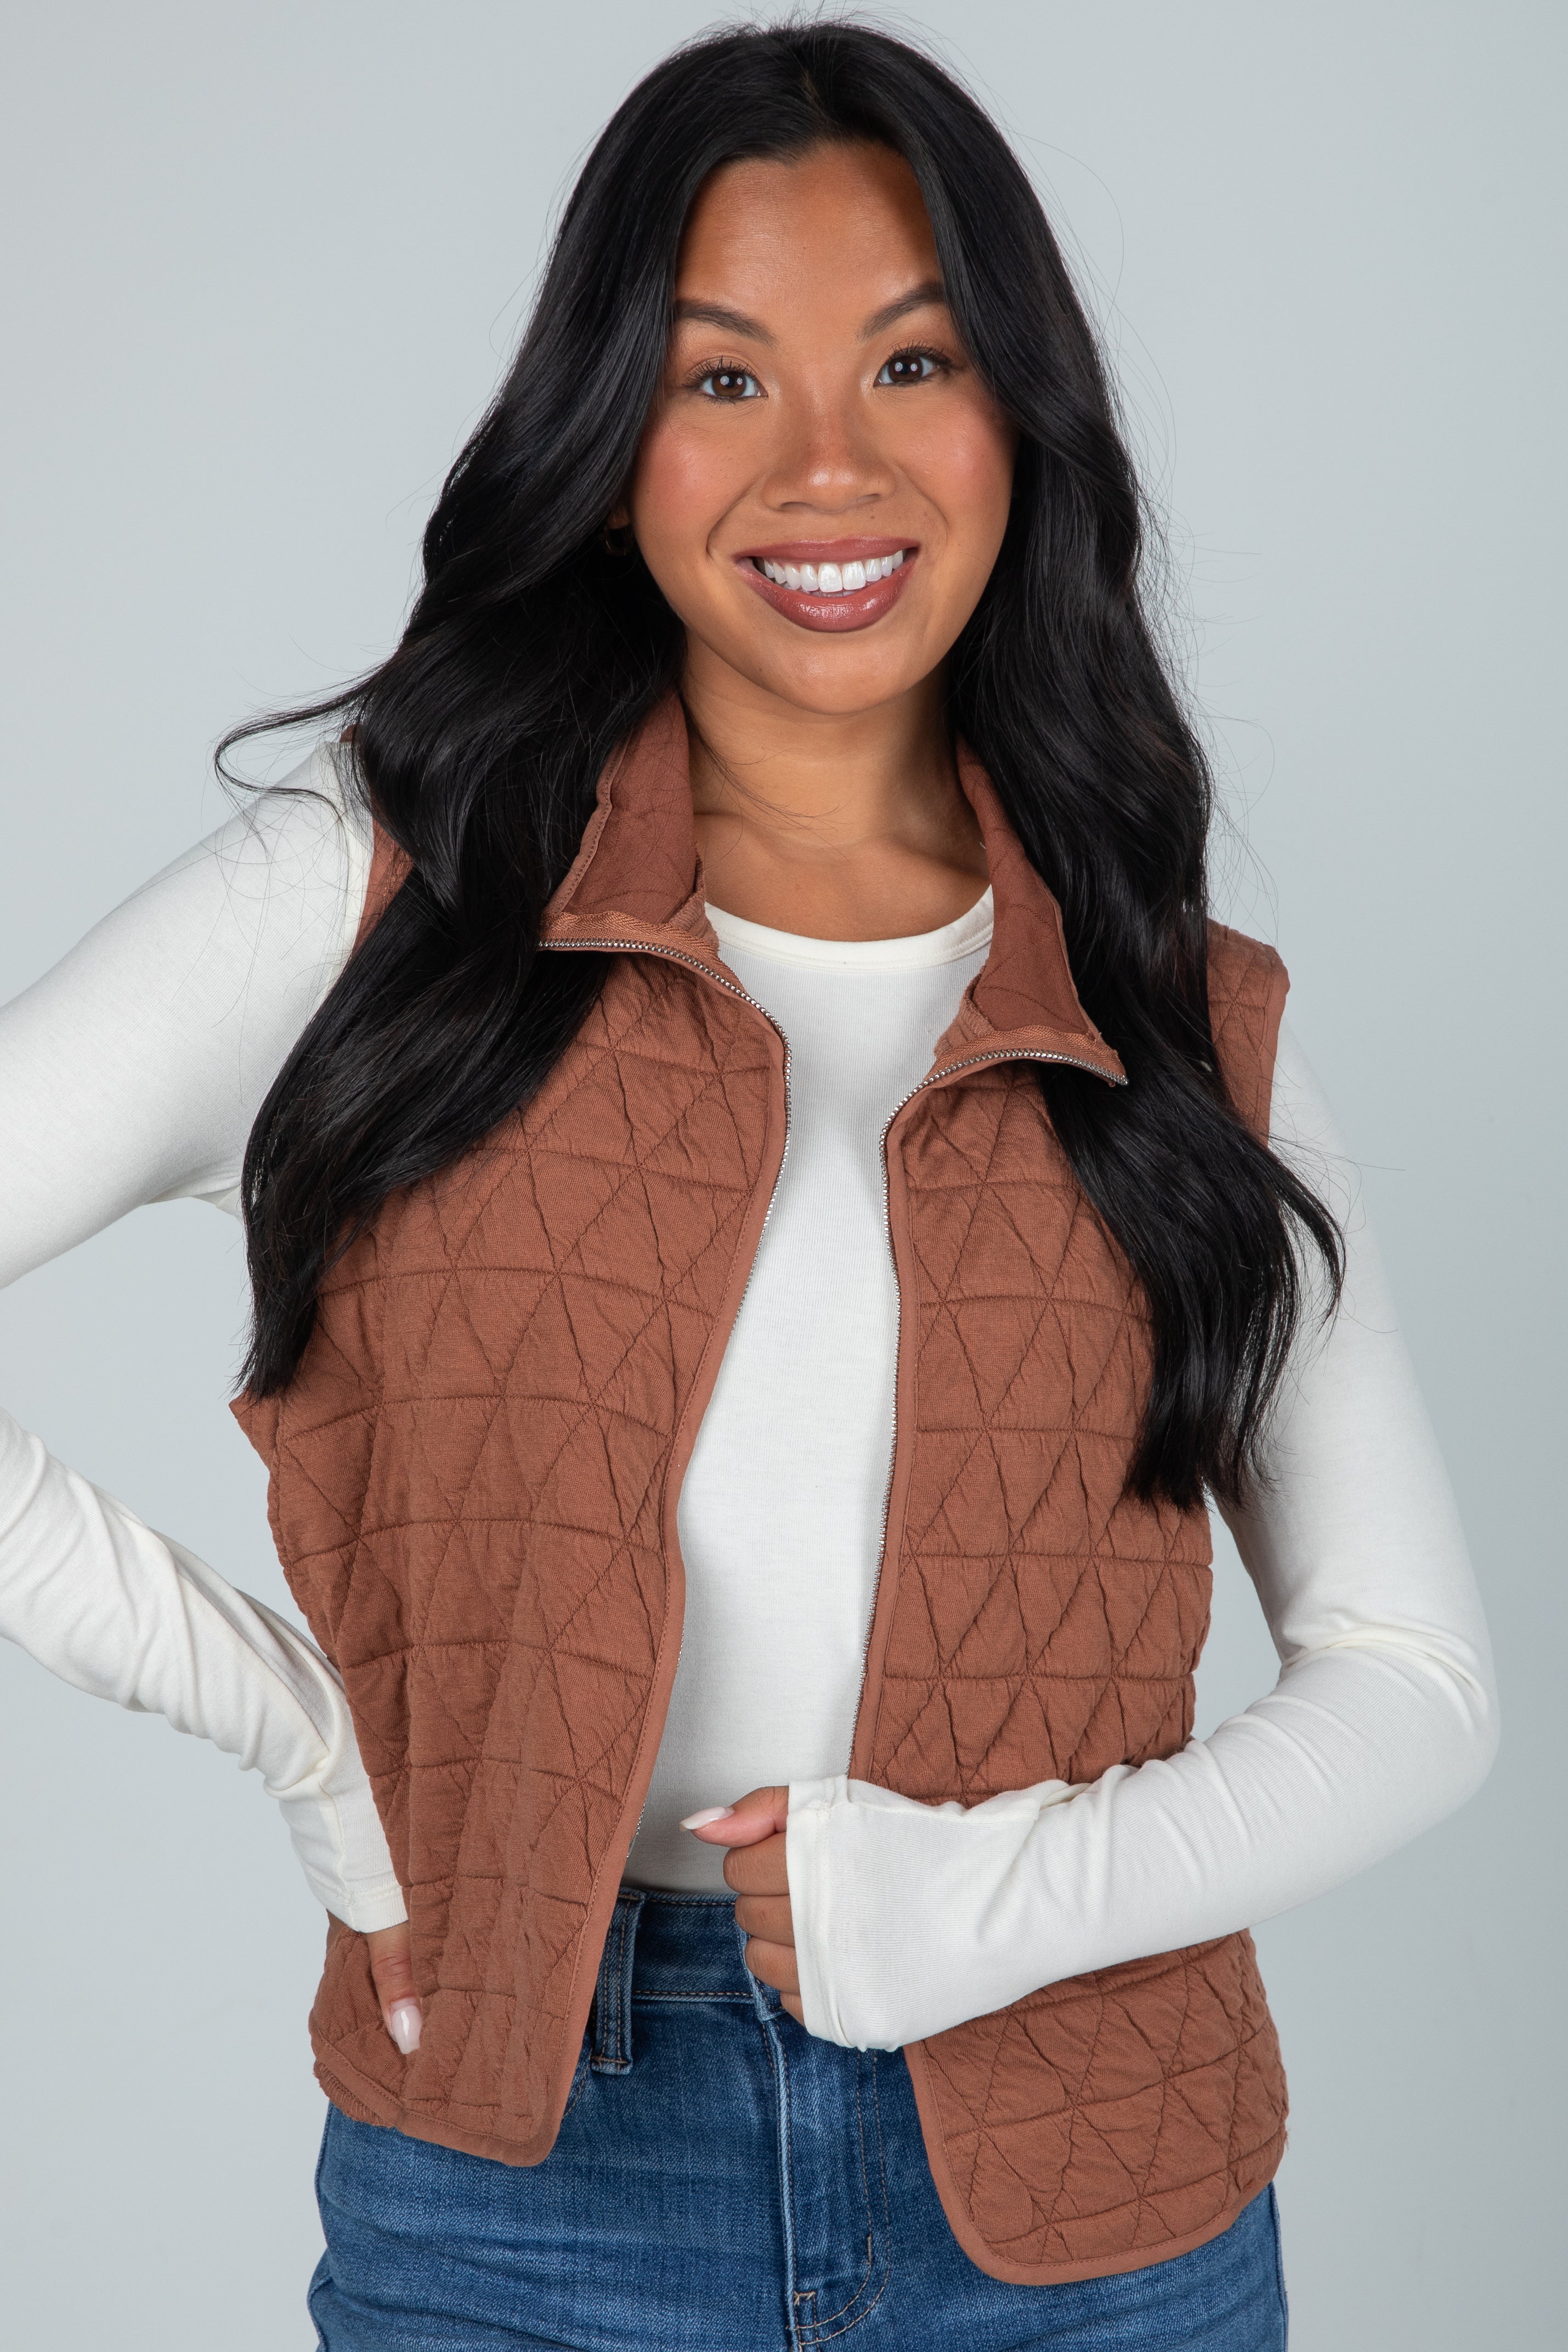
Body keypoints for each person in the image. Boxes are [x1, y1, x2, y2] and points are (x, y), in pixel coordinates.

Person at [0, 22, 1497, 2350]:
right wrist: (304, 1745)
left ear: (1020, 415)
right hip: (520, 2183)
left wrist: (984, 1900)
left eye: (914, 355)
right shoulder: (374, 903)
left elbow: (1413, 1683)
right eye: (722, 381)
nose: (828, 463)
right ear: (608, 448)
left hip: (1095, 2199)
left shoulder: (1172, 1000)